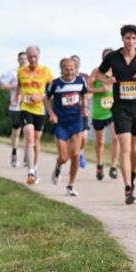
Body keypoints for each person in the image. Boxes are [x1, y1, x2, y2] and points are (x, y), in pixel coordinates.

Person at [96, 25, 136, 204]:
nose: (130, 41)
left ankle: (132, 174)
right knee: (125, 147)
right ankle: (128, 187)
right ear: (122, 38)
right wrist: (107, 79)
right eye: (127, 38)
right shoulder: (113, 57)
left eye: (133, 38)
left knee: (135, 149)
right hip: (120, 108)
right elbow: (98, 74)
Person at [46, 57, 88, 197]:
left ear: (75, 69)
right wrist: (51, 114)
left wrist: (85, 107)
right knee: (64, 157)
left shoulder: (81, 81)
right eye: (66, 69)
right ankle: (58, 167)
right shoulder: (55, 83)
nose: (69, 72)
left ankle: (71, 185)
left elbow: (84, 94)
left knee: (75, 154)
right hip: (61, 123)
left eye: (72, 69)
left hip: (76, 121)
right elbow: (46, 99)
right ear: (62, 69)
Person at [15, 46, 55, 185]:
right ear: (26, 56)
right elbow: (19, 85)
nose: (32, 59)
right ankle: (30, 171)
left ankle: (35, 167)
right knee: (29, 133)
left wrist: (42, 96)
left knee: (36, 140)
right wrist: (16, 98)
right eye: (30, 56)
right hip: (26, 108)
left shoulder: (46, 71)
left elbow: (53, 89)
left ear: (39, 56)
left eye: (35, 57)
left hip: (40, 110)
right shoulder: (21, 71)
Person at [88, 48, 120, 181]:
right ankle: (100, 164)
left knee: (116, 138)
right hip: (99, 111)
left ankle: (113, 166)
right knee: (100, 141)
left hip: (114, 109)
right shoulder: (96, 72)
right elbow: (87, 88)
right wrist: (100, 89)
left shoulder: (117, 71)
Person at [0, 52, 27, 167]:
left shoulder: (33, 72)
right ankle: (14, 153)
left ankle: (27, 155)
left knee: (28, 131)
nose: (24, 60)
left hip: (29, 105)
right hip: (15, 105)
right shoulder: (12, 72)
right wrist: (17, 86)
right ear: (18, 60)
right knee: (16, 132)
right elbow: (3, 86)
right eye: (21, 58)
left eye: (25, 58)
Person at [70, 54, 90, 170]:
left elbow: (89, 91)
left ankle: (81, 153)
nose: (75, 64)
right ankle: (74, 158)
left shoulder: (84, 77)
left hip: (83, 111)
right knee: (73, 138)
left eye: (77, 62)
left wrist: (86, 99)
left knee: (83, 137)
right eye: (73, 62)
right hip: (70, 113)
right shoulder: (66, 78)